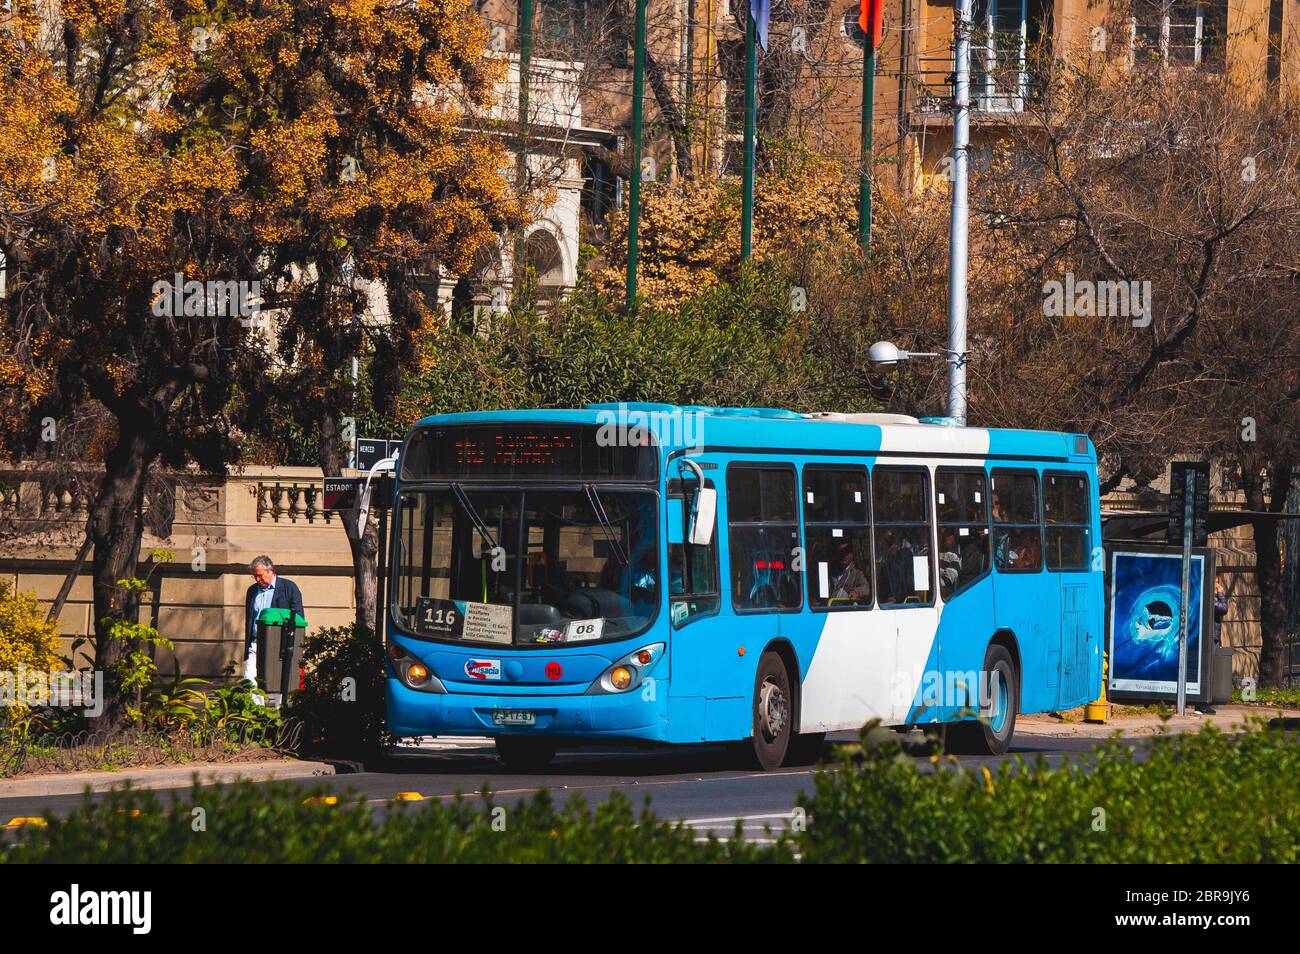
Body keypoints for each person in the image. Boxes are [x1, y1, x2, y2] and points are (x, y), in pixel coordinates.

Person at [243, 555, 305, 686]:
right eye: (254, 576)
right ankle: (256, 707)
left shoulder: (289, 588)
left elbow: (299, 619)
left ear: (270, 570)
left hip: (278, 642)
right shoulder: (252, 591)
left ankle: (280, 707)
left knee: (278, 680)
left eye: (260, 575)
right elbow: (249, 620)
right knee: (249, 679)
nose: (257, 579)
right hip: (256, 642)